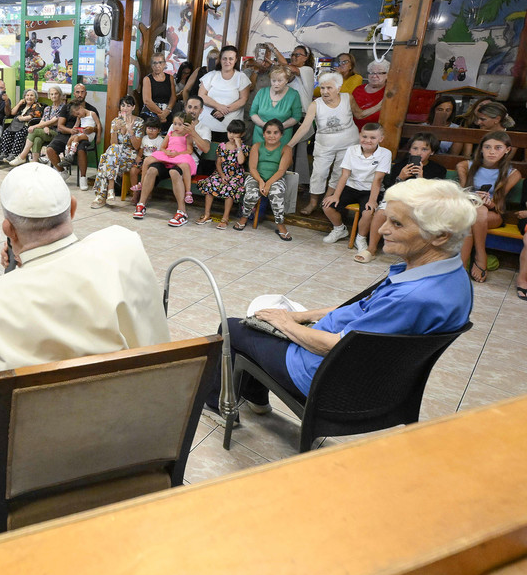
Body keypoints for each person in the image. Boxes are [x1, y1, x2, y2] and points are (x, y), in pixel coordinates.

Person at [0, 163, 171, 466]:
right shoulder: (124, 245)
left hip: (40, 465)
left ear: (8, 229)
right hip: (130, 438)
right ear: (73, 209)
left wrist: (18, 267)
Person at [203, 178, 476, 421]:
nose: (382, 230)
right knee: (264, 324)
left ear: (440, 236)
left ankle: (218, 408)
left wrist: (286, 323)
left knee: (232, 328)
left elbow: (338, 347)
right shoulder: (450, 275)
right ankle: (256, 398)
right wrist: (303, 316)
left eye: (397, 223)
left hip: (326, 378)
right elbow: (366, 308)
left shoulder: (412, 297)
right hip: (371, 376)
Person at [354, 132, 446, 263]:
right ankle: (371, 249)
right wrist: (400, 177)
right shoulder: (400, 165)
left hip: (421, 202)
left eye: (424, 149)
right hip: (397, 199)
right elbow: (390, 190)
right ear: (409, 150)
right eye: (415, 148)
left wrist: (420, 178)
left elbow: (433, 195)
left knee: (417, 217)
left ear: (432, 152)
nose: (419, 153)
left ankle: (414, 253)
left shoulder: (438, 170)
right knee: (381, 213)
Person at [287, 72, 361, 215]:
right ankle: (313, 203)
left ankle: (327, 200)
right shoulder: (316, 104)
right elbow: (304, 127)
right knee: (319, 173)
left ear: (338, 88)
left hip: (349, 143)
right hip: (324, 144)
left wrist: (381, 105)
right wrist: (289, 145)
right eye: (322, 88)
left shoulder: (348, 98)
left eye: (329, 88)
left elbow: (360, 114)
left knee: (339, 173)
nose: (325, 91)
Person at [457, 131, 522, 283]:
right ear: (481, 149)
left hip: (494, 214)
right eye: (487, 147)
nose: (492, 152)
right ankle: (471, 263)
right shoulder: (465, 166)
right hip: (467, 212)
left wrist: (489, 202)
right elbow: (461, 195)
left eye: (498, 147)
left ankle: (473, 260)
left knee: (478, 211)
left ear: (507, 150)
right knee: (472, 216)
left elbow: (498, 205)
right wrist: (472, 197)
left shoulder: (513, 173)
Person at [135, 96, 211, 220]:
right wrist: (167, 152)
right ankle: (141, 204)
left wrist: (193, 132)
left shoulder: (204, 129)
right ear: (185, 108)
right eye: (190, 107)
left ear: (201, 110)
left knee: (174, 172)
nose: (192, 110)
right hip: (168, 159)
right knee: (152, 169)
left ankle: (182, 212)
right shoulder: (175, 124)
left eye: (196, 108)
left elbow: (206, 149)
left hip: (186, 163)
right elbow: (167, 143)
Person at [321, 123, 392, 249]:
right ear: (360, 136)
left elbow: (378, 179)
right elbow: (345, 175)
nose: (368, 140)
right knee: (327, 205)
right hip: (351, 187)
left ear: (381, 139)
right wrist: (335, 195)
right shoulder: (352, 150)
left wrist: (372, 200)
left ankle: (361, 237)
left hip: (370, 190)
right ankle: (339, 229)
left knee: (368, 212)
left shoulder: (385, 153)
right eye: (364, 136)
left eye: (373, 138)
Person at [234, 119, 293, 240]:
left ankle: (280, 225)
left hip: (276, 179)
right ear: (264, 134)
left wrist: (268, 184)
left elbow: (281, 170)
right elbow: (252, 168)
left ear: (281, 134)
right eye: (268, 132)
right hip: (256, 177)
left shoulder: (286, 149)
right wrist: (261, 182)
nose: (272, 136)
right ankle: (244, 218)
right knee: (251, 193)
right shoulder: (257, 146)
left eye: (276, 132)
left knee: (276, 193)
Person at [90, 96, 142, 209]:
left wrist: (130, 131)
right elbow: (113, 143)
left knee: (105, 158)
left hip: (131, 155)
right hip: (116, 156)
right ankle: (108, 193)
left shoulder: (139, 122)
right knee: (110, 153)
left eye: (128, 106)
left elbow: (137, 146)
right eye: (123, 105)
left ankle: (103, 194)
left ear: (133, 107)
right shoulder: (115, 121)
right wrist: (115, 130)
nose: (125, 108)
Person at [196, 119, 248, 229]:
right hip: (221, 173)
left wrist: (238, 145)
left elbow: (240, 161)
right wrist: (222, 175)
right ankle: (207, 214)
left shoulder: (243, 148)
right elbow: (218, 163)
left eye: (235, 133)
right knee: (210, 184)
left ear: (242, 134)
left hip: (236, 175)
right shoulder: (222, 146)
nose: (232, 135)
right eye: (230, 132)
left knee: (230, 188)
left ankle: (225, 218)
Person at [151, 112, 199, 225]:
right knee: (150, 162)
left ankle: (187, 196)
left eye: (180, 124)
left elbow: (189, 150)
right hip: (169, 158)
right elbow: (163, 147)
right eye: (175, 124)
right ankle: (141, 192)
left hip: (181, 158)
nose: (176, 126)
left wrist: (178, 154)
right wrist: (167, 152)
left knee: (178, 170)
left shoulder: (188, 135)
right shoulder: (171, 133)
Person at [197, 45, 251, 142]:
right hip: (206, 126)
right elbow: (201, 95)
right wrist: (218, 106)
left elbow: (243, 99)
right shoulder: (211, 75)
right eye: (224, 58)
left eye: (231, 59)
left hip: (231, 129)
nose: (227, 61)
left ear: (236, 60)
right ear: (220, 60)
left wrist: (224, 111)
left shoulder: (241, 77)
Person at [10, 85, 65, 166]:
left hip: (58, 134)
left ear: (60, 95)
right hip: (46, 132)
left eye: (56, 94)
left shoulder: (63, 108)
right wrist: (45, 126)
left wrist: (35, 126)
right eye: (51, 94)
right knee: (37, 139)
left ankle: (22, 156)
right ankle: (34, 162)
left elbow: (54, 121)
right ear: (49, 96)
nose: (53, 96)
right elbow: (42, 122)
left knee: (34, 131)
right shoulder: (47, 108)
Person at [249, 65, 302, 146]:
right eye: (273, 81)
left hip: (282, 137)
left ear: (286, 80)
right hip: (260, 136)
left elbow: (296, 117)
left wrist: (278, 128)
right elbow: (253, 113)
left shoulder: (293, 95)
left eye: (280, 81)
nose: (276, 84)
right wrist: (264, 125)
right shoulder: (262, 92)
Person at [0, 88, 42, 163]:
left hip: (27, 126)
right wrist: (19, 103)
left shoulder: (37, 106)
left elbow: (33, 116)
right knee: (7, 132)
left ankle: (14, 154)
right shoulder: (22, 105)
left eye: (31, 95)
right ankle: (4, 153)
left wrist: (22, 118)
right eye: (27, 95)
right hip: (17, 125)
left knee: (19, 133)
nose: (29, 97)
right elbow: (12, 113)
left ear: (35, 97)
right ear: (24, 97)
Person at [141, 52, 176, 126]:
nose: (157, 66)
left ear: (164, 64)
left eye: (160, 62)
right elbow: (147, 101)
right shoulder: (147, 79)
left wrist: (167, 111)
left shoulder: (170, 78)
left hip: (167, 111)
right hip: (151, 112)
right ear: (151, 65)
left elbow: (173, 97)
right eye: (154, 63)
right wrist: (161, 114)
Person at [352, 60, 389, 130]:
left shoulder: (389, 93)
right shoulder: (358, 89)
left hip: (376, 133)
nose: (374, 76)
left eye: (379, 73)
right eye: (371, 72)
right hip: (354, 131)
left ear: (387, 75)